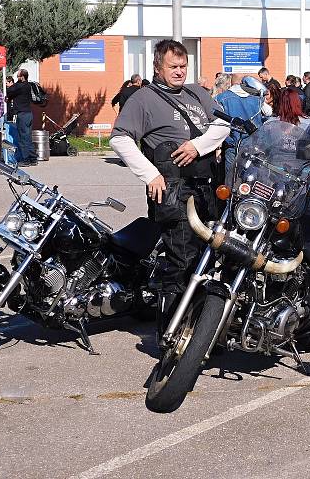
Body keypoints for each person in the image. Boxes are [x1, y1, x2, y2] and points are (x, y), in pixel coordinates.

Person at [110, 39, 230, 340]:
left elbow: (224, 125)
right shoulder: (142, 99)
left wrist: (197, 145)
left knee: (209, 261)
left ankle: (203, 333)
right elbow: (120, 139)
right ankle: (171, 335)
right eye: (173, 67)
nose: (179, 72)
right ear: (157, 67)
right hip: (173, 192)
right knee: (182, 260)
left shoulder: (197, 93)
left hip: (206, 191)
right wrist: (150, 174)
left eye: (183, 66)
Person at [216, 74, 264, 172]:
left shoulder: (221, 98)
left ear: (230, 82)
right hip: (253, 145)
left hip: (233, 145)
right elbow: (268, 112)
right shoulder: (257, 98)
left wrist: (218, 148)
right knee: (251, 180)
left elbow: (217, 125)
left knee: (231, 179)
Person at [6, 69, 37, 167]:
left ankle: (25, 159)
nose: (16, 78)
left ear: (22, 77)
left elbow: (10, 90)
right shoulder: (28, 85)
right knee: (28, 137)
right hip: (28, 114)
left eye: (18, 76)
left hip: (22, 115)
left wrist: (10, 95)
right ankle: (33, 158)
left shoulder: (20, 86)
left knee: (22, 138)